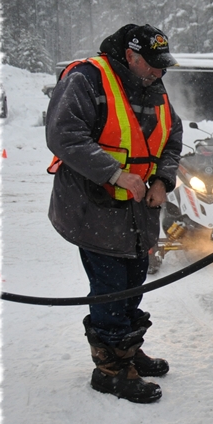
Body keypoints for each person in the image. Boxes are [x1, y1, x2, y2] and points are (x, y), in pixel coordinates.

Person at [45, 24, 183, 404]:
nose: (159, 73)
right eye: (152, 66)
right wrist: (116, 174)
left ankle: (126, 350)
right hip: (95, 206)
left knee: (133, 282)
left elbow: (172, 136)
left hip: (139, 210)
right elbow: (64, 135)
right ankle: (110, 370)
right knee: (110, 288)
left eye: (162, 66)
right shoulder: (88, 78)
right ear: (130, 57)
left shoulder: (154, 84)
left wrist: (162, 180)